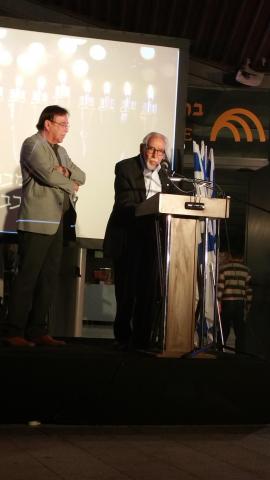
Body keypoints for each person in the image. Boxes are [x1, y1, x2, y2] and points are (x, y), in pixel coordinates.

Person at [3, 105, 86, 347]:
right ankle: (13, 331)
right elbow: (48, 176)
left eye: (67, 125)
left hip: (57, 221)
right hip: (36, 222)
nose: (66, 129)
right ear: (47, 123)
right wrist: (67, 182)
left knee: (48, 278)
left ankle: (38, 330)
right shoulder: (32, 145)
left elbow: (82, 175)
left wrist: (65, 170)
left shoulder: (61, 151)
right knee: (27, 277)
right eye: (62, 124)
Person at [104, 132, 175, 350]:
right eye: (152, 149)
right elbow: (126, 201)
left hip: (154, 240)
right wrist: (149, 209)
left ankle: (144, 338)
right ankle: (123, 338)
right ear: (143, 147)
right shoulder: (125, 168)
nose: (155, 154)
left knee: (149, 292)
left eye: (160, 151)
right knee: (127, 293)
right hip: (129, 237)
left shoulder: (166, 174)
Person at [217, 250, 253, 352]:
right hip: (240, 304)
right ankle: (239, 355)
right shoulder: (247, 270)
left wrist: (218, 302)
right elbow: (249, 290)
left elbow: (220, 288)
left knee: (224, 329)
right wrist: (248, 306)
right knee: (240, 332)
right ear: (242, 257)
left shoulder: (224, 269)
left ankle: (220, 351)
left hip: (227, 303)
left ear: (231, 256)